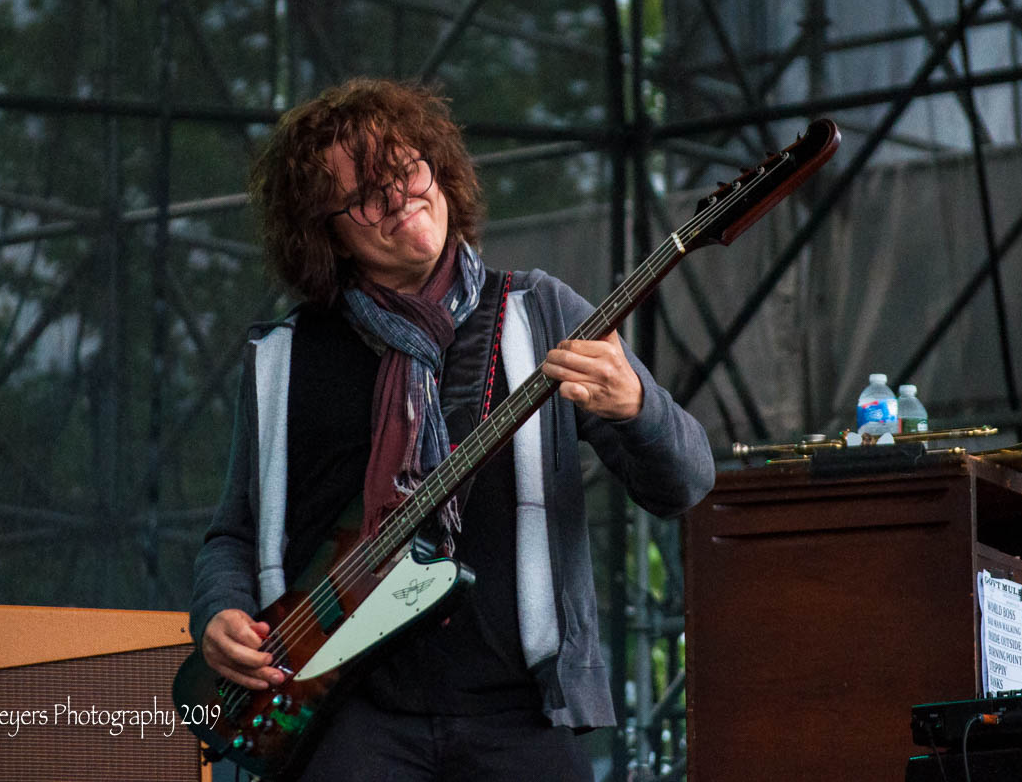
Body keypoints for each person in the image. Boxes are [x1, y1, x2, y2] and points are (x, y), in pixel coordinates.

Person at [189, 78, 714, 781]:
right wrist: (218, 612)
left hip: (518, 713)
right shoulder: (287, 356)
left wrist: (637, 404)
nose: (401, 197)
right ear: (325, 233)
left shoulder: (540, 312)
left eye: (408, 170)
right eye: (367, 195)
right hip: (349, 721)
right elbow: (234, 533)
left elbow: (686, 483)